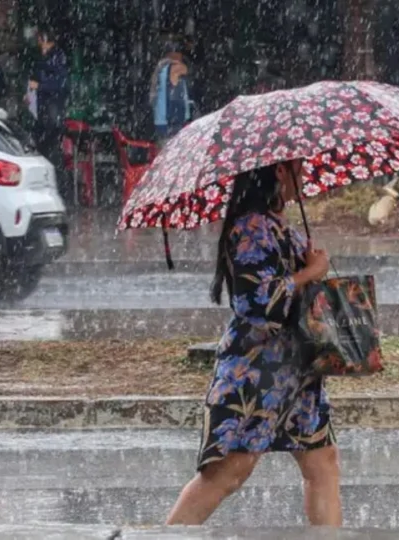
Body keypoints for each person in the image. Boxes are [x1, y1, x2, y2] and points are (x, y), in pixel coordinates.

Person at [165, 161, 341, 527]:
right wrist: (310, 272)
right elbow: (257, 304)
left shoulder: (278, 225)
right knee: (229, 472)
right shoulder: (250, 227)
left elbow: (293, 293)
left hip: (295, 370)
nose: (305, 174)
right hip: (256, 372)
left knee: (321, 461)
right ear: (280, 172)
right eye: (299, 168)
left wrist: (312, 266)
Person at [27, 27, 71, 203]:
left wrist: (41, 86)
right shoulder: (44, 58)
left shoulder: (57, 57)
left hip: (52, 112)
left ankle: (58, 191)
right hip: (44, 110)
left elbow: (61, 84)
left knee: (51, 151)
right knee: (45, 150)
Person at [149, 42, 193, 142]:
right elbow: (187, 70)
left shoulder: (161, 68)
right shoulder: (174, 68)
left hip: (162, 120)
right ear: (176, 54)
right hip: (171, 122)